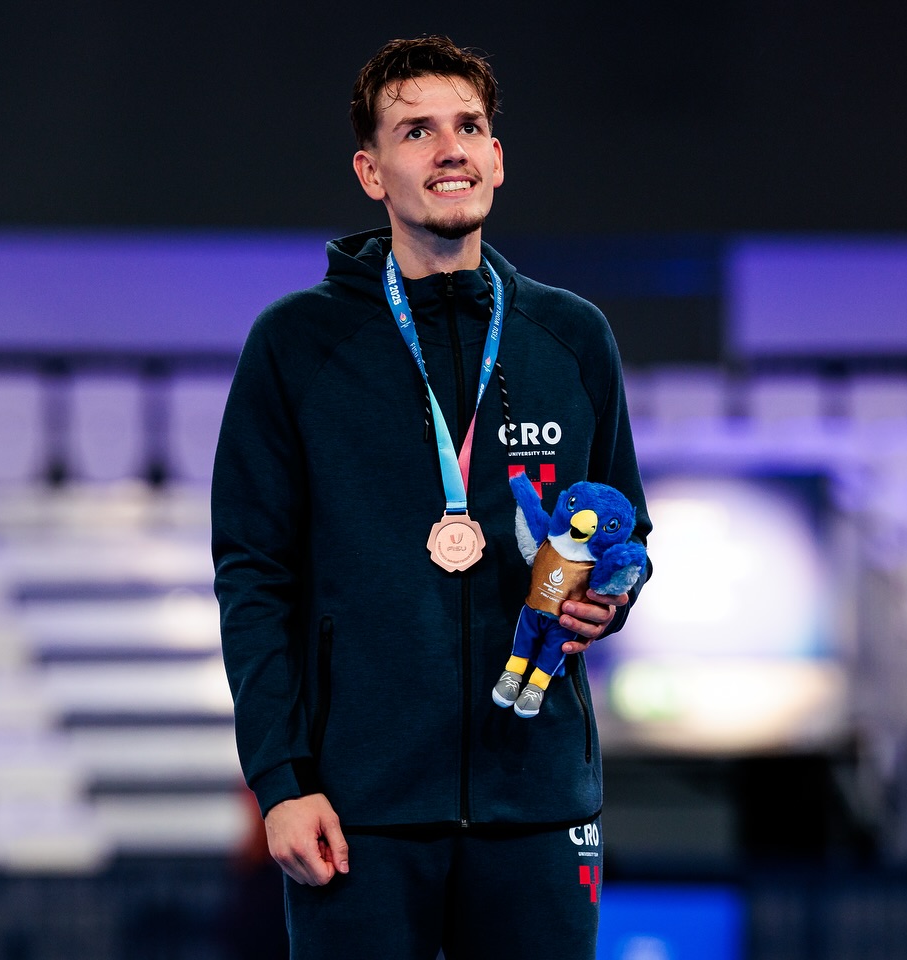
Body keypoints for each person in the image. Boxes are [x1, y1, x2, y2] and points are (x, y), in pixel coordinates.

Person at [212, 34, 651, 959]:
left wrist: (611, 599)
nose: (450, 149)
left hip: (537, 802)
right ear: (371, 171)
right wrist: (281, 782)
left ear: (497, 156)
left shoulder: (573, 337)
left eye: (469, 126)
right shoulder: (295, 345)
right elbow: (253, 578)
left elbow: (627, 530)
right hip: (357, 809)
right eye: (417, 131)